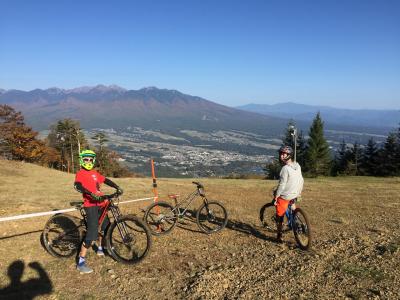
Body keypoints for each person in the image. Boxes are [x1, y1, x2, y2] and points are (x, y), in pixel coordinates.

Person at [74, 149, 123, 274]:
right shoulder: (80, 173)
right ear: (82, 160)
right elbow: (78, 186)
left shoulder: (95, 173)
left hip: (101, 203)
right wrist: (90, 194)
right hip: (90, 205)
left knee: (105, 228)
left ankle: (100, 248)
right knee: (91, 235)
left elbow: (105, 180)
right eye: (86, 159)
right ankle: (81, 262)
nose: (89, 161)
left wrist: (117, 187)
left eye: (91, 159)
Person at [274, 145, 304, 243]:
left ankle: (279, 235)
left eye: (284, 154)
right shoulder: (297, 165)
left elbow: (282, 185)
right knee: (292, 205)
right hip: (296, 193)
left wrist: (276, 196)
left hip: (286, 195)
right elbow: (301, 180)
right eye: (281, 154)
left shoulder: (285, 169)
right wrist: (299, 192)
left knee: (280, 216)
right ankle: (295, 220)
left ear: (289, 155)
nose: (281, 156)